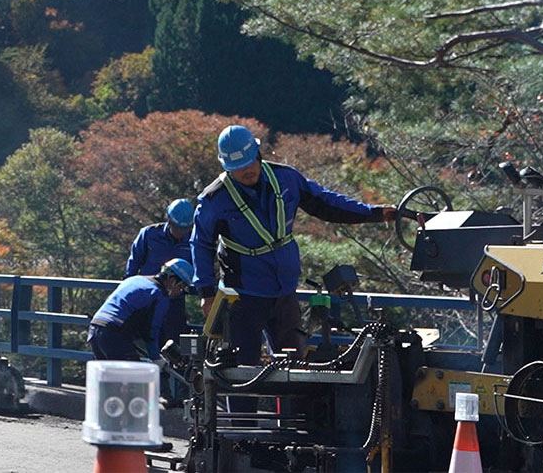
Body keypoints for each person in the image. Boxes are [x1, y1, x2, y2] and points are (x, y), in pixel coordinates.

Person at [191, 125, 418, 365]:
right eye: (237, 168)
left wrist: (374, 213)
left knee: (293, 366)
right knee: (239, 368)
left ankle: (290, 404)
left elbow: (326, 202)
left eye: (249, 163)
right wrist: (206, 293)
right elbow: (201, 244)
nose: (246, 171)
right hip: (243, 295)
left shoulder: (286, 178)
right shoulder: (214, 199)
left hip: (285, 291)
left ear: (258, 155)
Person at [88, 258, 196, 361]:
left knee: (107, 377)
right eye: (181, 287)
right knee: (135, 378)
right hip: (114, 335)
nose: (179, 292)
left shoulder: (135, 279)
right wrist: (156, 358)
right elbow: (151, 332)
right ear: (172, 281)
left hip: (95, 328)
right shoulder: (159, 296)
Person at [125, 198, 195, 277]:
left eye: (186, 229)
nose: (182, 232)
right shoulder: (148, 234)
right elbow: (134, 262)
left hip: (178, 288)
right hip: (149, 285)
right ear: (169, 222)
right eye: (178, 228)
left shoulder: (194, 241)